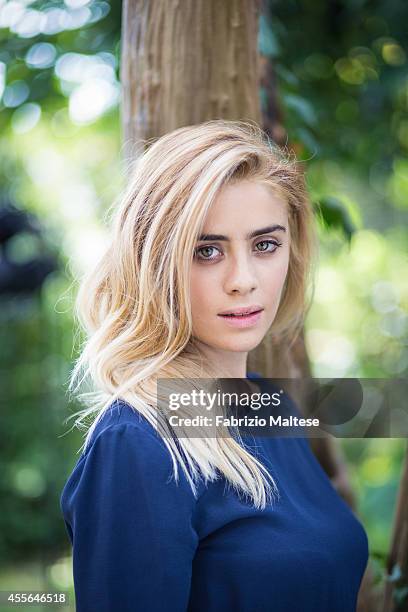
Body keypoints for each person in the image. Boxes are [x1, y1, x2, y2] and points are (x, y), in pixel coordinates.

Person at [60, 120, 369, 611]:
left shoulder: (272, 408)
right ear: (155, 263)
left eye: (265, 245)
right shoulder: (137, 440)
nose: (243, 280)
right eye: (206, 251)